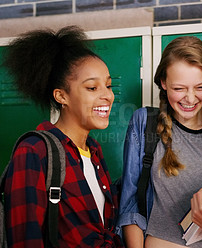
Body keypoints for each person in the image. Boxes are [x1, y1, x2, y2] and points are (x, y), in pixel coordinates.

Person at [117, 36, 202, 248]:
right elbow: (130, 203)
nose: (190, 98)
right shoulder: (144, 122)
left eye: (200, 87)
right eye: (179, 88)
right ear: (163, 83)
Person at [3, 26, 123, 247]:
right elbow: (25, 239)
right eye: (92, 88)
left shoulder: (93, 150)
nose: (107, 95)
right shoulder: (34, 151)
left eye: (108, 85)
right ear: (61, 96)